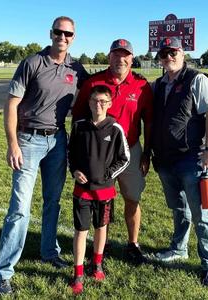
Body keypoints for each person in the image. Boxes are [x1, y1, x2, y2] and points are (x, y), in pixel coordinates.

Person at [0, 16, 89, 295]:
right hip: (28, 139)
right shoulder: (32, 63)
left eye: (68, 33)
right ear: (51, 33)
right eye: (58, 32)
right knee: (20, 207)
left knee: (53, 201)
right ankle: (3, 271)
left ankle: (49, 251)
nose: (63, 37)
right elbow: (11, 105)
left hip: (58, 140)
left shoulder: (76, 67)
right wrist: (13, 143)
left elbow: (99, 86)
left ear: (73, 37)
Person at [72, 39, 153, 264]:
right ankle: (101, 245)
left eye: (125, 55)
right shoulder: (94, 82)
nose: (121, 59)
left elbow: (150, 121)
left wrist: (147, 153)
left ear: (132, 58)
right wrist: (79, 157)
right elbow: (78, 118)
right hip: (99, 153)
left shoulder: (141, 85)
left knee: (132, 198)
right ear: (109, 57)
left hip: (131, 150)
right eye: (116, 55)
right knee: (98, 198)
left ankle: (133, 244)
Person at [151, 37, 208, 286]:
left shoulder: (196, 79)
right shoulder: (157, 85)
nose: (169, 57)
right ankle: (179, 248)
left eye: (173, 52)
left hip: (192, 158)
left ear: (183, 53)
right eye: (164, 53)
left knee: (202, 214)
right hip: (165, 159)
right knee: (179, 209)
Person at [68, 85, 130, 295]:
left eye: (103, 101)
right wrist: (75, 170)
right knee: (80, 231)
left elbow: (125, 158)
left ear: (110, 104)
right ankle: (77, 274)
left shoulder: (115, 128)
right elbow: (71, 154)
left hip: (105, 191)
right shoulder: (79, 126)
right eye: (95, 100)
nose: (98, 104)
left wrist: (107, 175)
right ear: (89, 102)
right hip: (82, 191)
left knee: (101, 227)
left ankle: (97, 264)